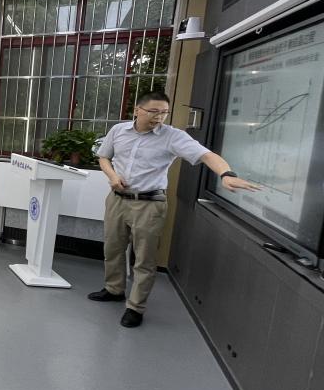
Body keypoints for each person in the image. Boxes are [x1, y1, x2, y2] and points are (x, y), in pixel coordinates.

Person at [88, 91, 259, 328]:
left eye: (164, 113)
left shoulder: (173, 137)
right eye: (153, 111)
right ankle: (114, 289)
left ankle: (135, 307)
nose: (159, 117)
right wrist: (113, 176)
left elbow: (206, 155)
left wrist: (226, 174)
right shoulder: (118, 130)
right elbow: (104, 157)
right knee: (113, 249)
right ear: (137, 110)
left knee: (144, 258)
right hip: (117, 200)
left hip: (149, 204)